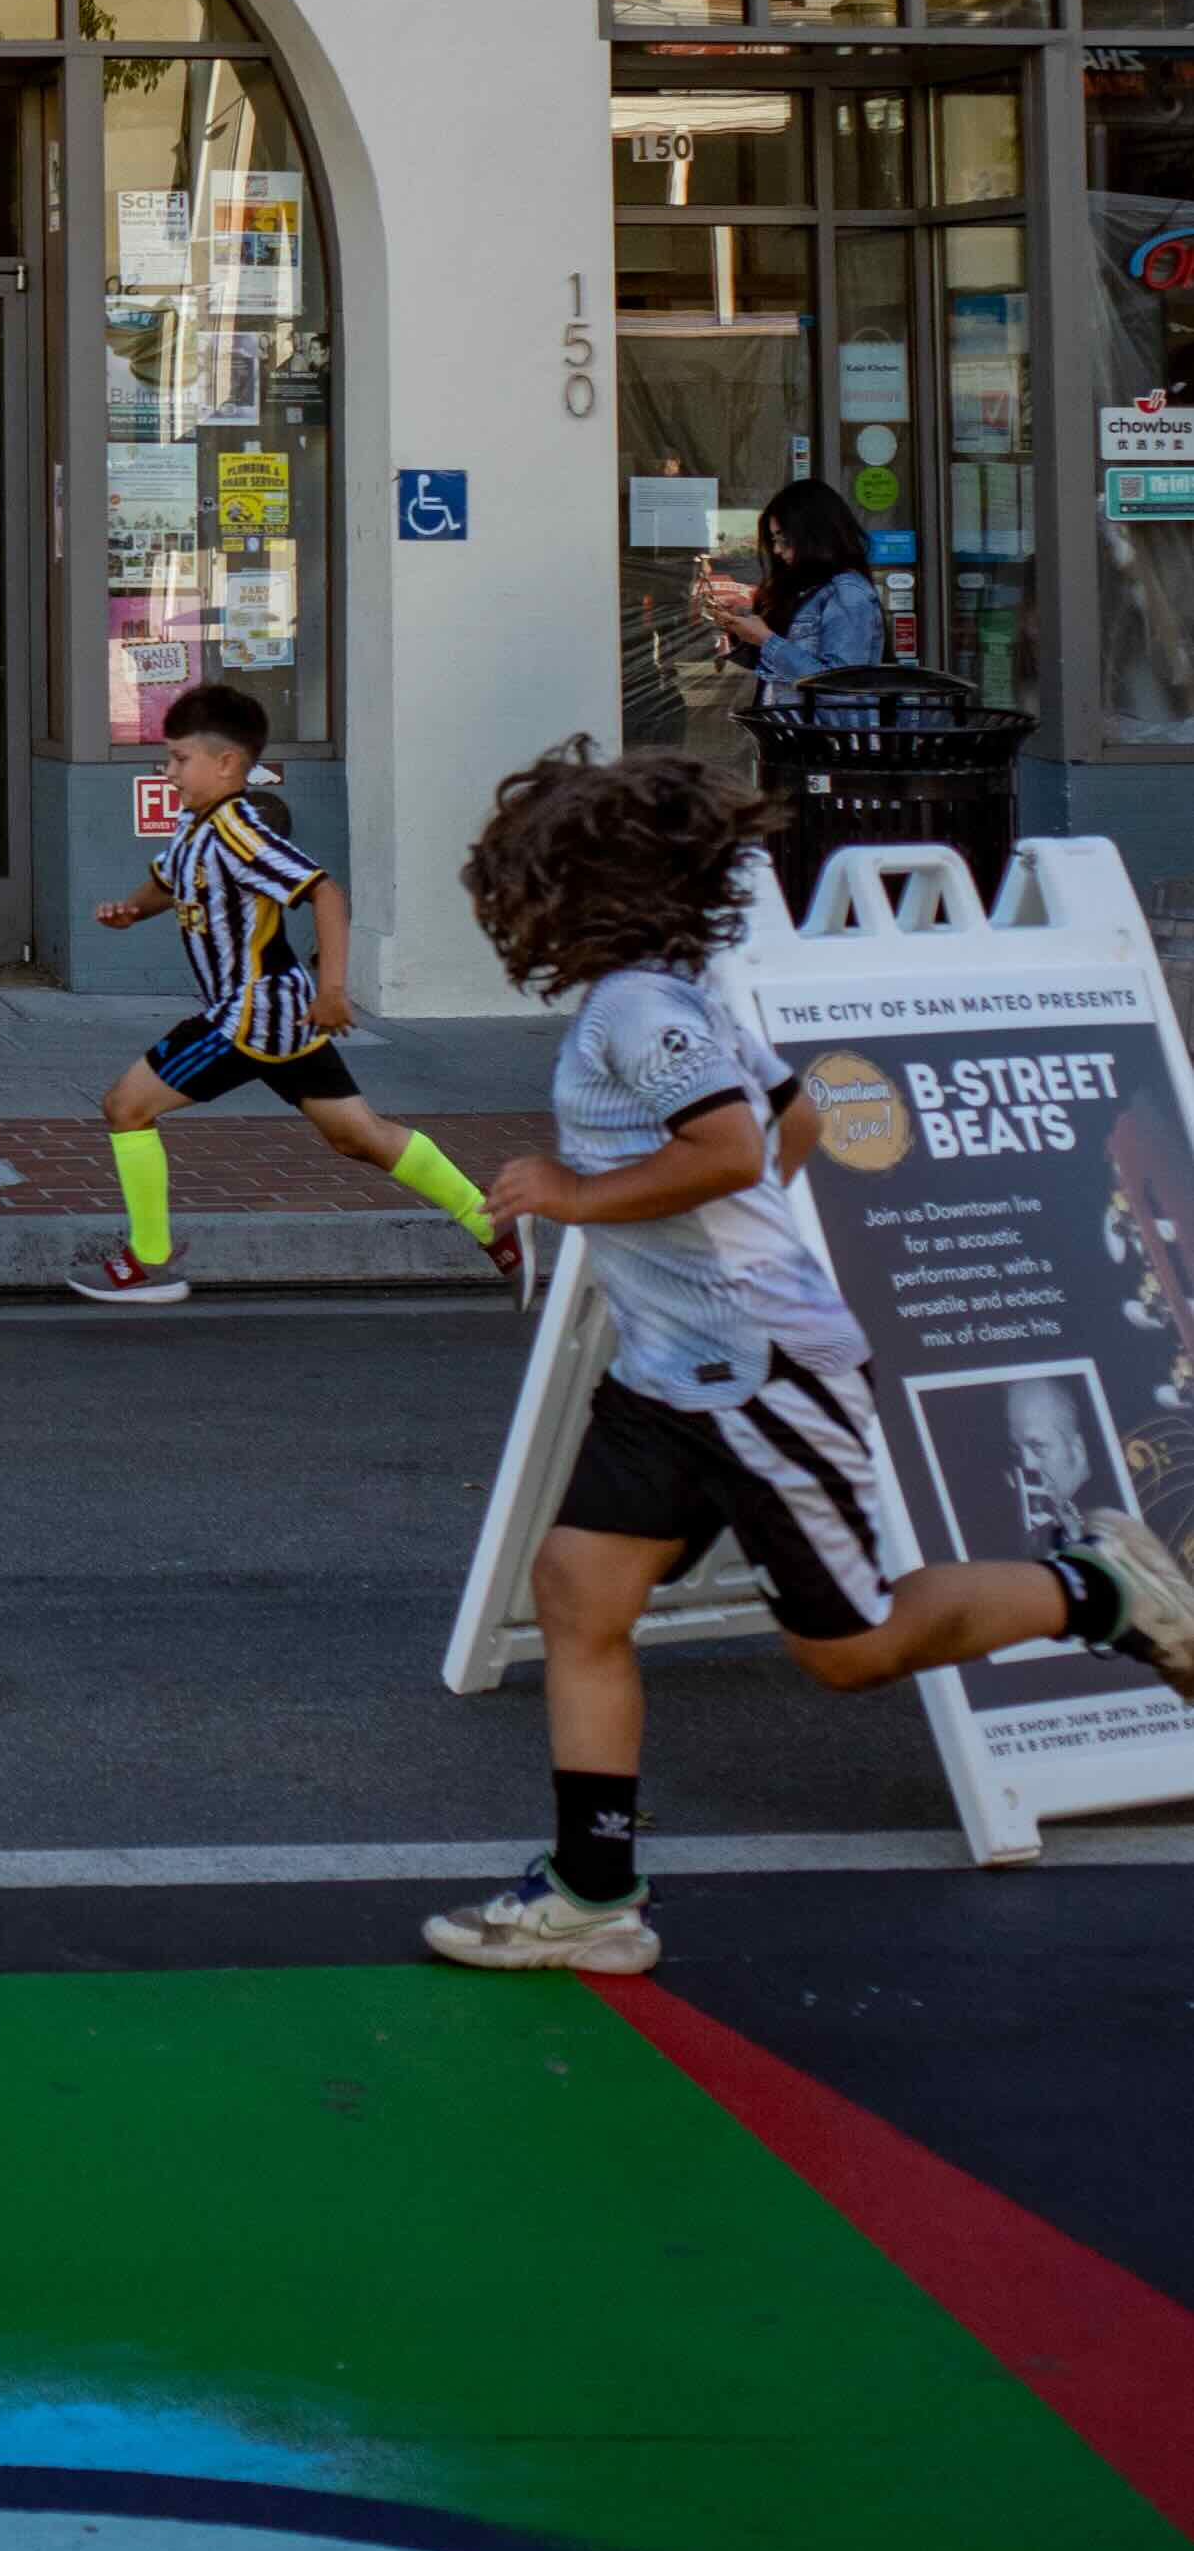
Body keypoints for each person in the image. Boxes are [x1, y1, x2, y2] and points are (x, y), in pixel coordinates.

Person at [425, 735, 1194, 1976]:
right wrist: (710, 1248)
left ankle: (1101, 1592)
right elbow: (795, 1118)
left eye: (519, 883)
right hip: (676, 1374)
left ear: (574, 893)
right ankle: (590, 1892)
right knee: (577, 1589)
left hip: (761, 1378)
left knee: (851, 1654)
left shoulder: (640, 1007)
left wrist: (577, 1191)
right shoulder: (676, 995)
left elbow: (732, 1150)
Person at [67, 680, 515, 1312]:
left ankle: (149, 1261)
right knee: (356, 1135)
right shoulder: (198, 828)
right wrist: (129, 913)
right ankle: (490, 1223)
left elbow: (325, 892)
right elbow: (166, 882)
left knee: (126, 1107)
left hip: (248, 1016)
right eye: (166, 760)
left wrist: (333, 990)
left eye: (178, 759)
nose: (168, 773)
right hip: (281, 1016)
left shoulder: (240, 831)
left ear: (226, 763)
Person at [693, 474, 889, 692]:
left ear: (813, 534)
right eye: (774, 540)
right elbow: (777, 669)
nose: (777, 550)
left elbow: (840, 689)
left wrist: (766, 640)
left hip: (816, 725)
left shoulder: (847, 593)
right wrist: (744, 626)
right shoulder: (806, 589)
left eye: (783, 539)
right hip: (786, 723)